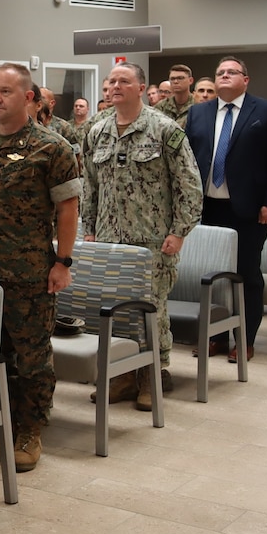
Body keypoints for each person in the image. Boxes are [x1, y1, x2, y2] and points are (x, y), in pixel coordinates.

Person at [0, 63, 81, 473]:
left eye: (5, 92)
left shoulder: (52, 147)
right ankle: (3, 426)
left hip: (32, 271)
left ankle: (30, 430)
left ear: (28, 97)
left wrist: (63, 261)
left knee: (32, 357)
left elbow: (68, 208)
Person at [80, 63, 201, 409]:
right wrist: (88, 229)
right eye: (112, 81)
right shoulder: (97, 132)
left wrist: (179, 232)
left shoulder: (164, 130)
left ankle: (152, 376)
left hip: (152, 241)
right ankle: (120, 376)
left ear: (141, 87)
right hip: (107, 240)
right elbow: (89, 186)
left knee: (152, 309)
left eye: (124, 81)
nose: (116, 86)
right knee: (113, 310)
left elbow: (189, 185)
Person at [184, 57, 267, 363]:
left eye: (232, 72)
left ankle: (245, 339)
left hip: (249, 209)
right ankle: (215, 336)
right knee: (211, 276)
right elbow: (188, 161)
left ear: (246, 79)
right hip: (207, 208)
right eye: (220, 72)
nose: (225, 75)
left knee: (246, 273)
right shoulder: (198, 113)